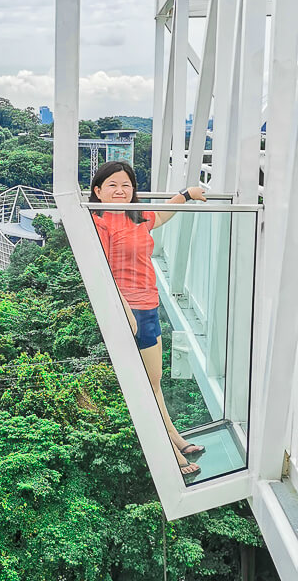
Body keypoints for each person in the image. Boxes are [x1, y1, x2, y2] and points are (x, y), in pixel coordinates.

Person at [90, 160, 207, 477]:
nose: (120, 190)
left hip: (149, 304)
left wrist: (186, 194)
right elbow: (98, 273)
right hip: (126, 309)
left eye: (126, 184)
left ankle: (175, 437)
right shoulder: (99, 222)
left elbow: (164, 213)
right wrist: (121, 309)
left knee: (154, 382)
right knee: (143, 386)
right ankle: (171, 455)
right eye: (112, 185)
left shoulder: (137, 216)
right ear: (98, 191)